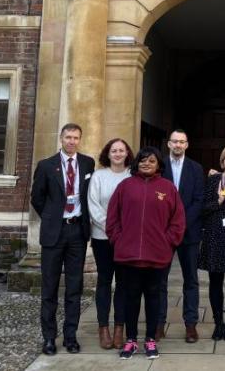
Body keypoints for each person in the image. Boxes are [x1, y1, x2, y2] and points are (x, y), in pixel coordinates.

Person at [107, 146, 185, 360]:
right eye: (142, 160)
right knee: (130, 298)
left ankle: (150, 339)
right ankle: (131, 340)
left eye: (151, 161)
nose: (146, 164)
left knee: (153, 298)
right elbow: (112, 218)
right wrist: (118, 239)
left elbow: (178, 221)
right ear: (136, 163)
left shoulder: (168, 188)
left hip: (157, 256)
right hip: (129, 256)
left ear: (159, 164)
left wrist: (167, 243)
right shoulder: (125, 186)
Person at [30, 123, 96, 356]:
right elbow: (37, 198)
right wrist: (51, 218)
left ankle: (70, 336)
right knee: (49, 288)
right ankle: (49, 338)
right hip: (53, 234)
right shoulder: (46, 165)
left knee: (74, 288)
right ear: (61, 138)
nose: (71, 141)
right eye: (68, 137)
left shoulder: (88, 163)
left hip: (77, 232)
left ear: (80, 140)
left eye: (76, 137)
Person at [158, 129, 205, 343]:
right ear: (169, 144)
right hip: (162, 233)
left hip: (189, 232)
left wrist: (181, 223)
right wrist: (167, 226)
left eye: (182, 142)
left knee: (191, 280)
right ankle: (158, 323)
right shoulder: (158, 166)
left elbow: (199, 200)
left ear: (187, 145)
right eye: (174, 142)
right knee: (159, 280)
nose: (178, 145)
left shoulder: (196, 169)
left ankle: (191, 325)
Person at [87, 137, 133, 350]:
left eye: (121, 150)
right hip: (102, 238)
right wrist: (113, 228)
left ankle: (119, 329)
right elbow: (94, 206)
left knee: (124, 283)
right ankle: (103, 327)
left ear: (127, 153)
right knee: (105, 281)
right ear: (108, 153)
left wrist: (124, 232)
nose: (117, 154)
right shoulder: (98, 176)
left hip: (126, 239)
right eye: (114, 150)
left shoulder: (133, 176)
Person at [198, 144, 225, 341]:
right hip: (215, 236)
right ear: (222, 161)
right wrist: (217, 201)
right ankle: (218, 323)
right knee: (215, 281)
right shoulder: (213, 180)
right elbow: (202, 209)